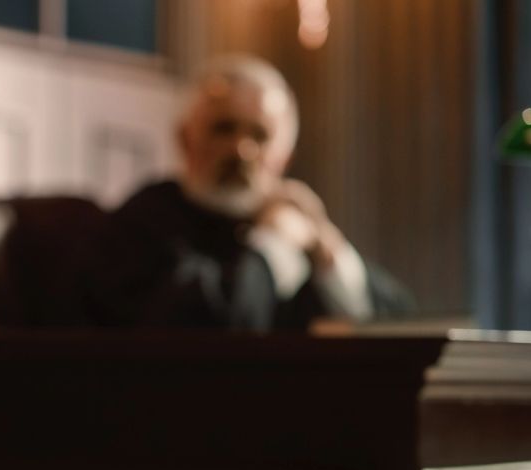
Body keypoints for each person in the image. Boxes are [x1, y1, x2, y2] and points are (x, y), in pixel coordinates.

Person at [90, 55, 412, 330]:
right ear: (185, 140)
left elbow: (397, 323)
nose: (241, 150)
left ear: (285, 157)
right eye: (223, 129)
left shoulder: (298, 224)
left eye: (260, 134)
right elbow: (212, 326)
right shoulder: (145, 221)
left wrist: (328, 251)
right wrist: (275, 246)